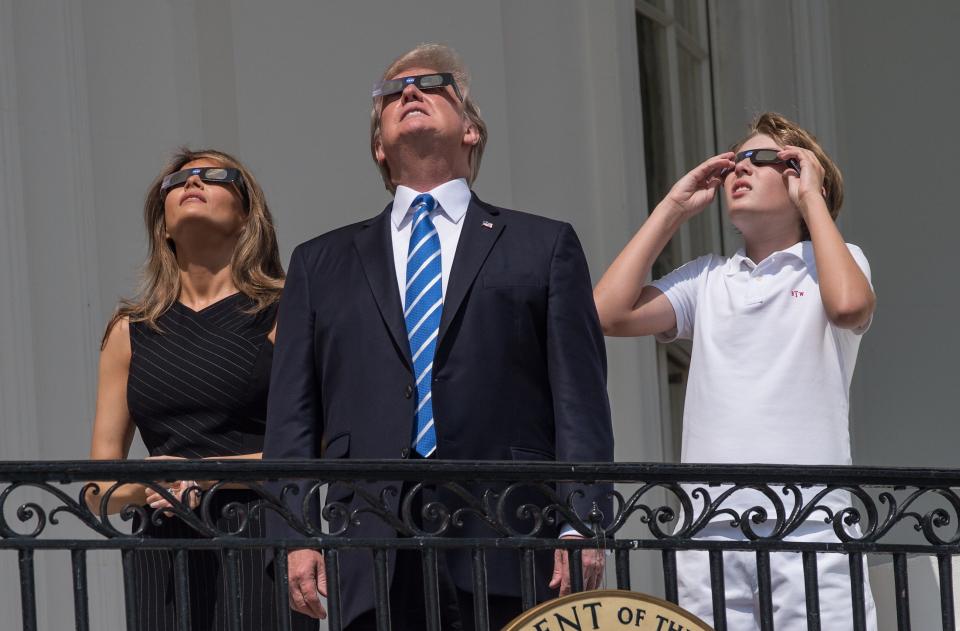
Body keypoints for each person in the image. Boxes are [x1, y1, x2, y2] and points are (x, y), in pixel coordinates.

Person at [264, 43, 614, 630]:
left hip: (509, 530)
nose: (409, 92)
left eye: (432, 83)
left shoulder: (543, 246)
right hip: (370, 539)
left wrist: (583, 521)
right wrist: (296, 533)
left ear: (471, 130)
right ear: (379, 144)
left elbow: (579, 397)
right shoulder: (319, 263)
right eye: (391, 92)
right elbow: (292, 418)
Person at [593, 112, 877, 629]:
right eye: (734, 163)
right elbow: (606, 314)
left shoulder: (836, 259)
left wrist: (812, 200)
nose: (740, 170)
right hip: (709, 529)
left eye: (762, 159)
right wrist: (673, 209)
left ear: (800, 174)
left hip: (812, 525)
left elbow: (850, 307)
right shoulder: (708, 278)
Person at [88, 148, 314, 630]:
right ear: (163, 225)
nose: (193, 182)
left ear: (246, 214)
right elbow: (96, 487)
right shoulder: (130, 331)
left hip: (257, 538)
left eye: (214, 176)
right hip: (160, 549)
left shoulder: (285, 313)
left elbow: (311, 451)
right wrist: (147, 485)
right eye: (179, 180)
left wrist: (206, 474)